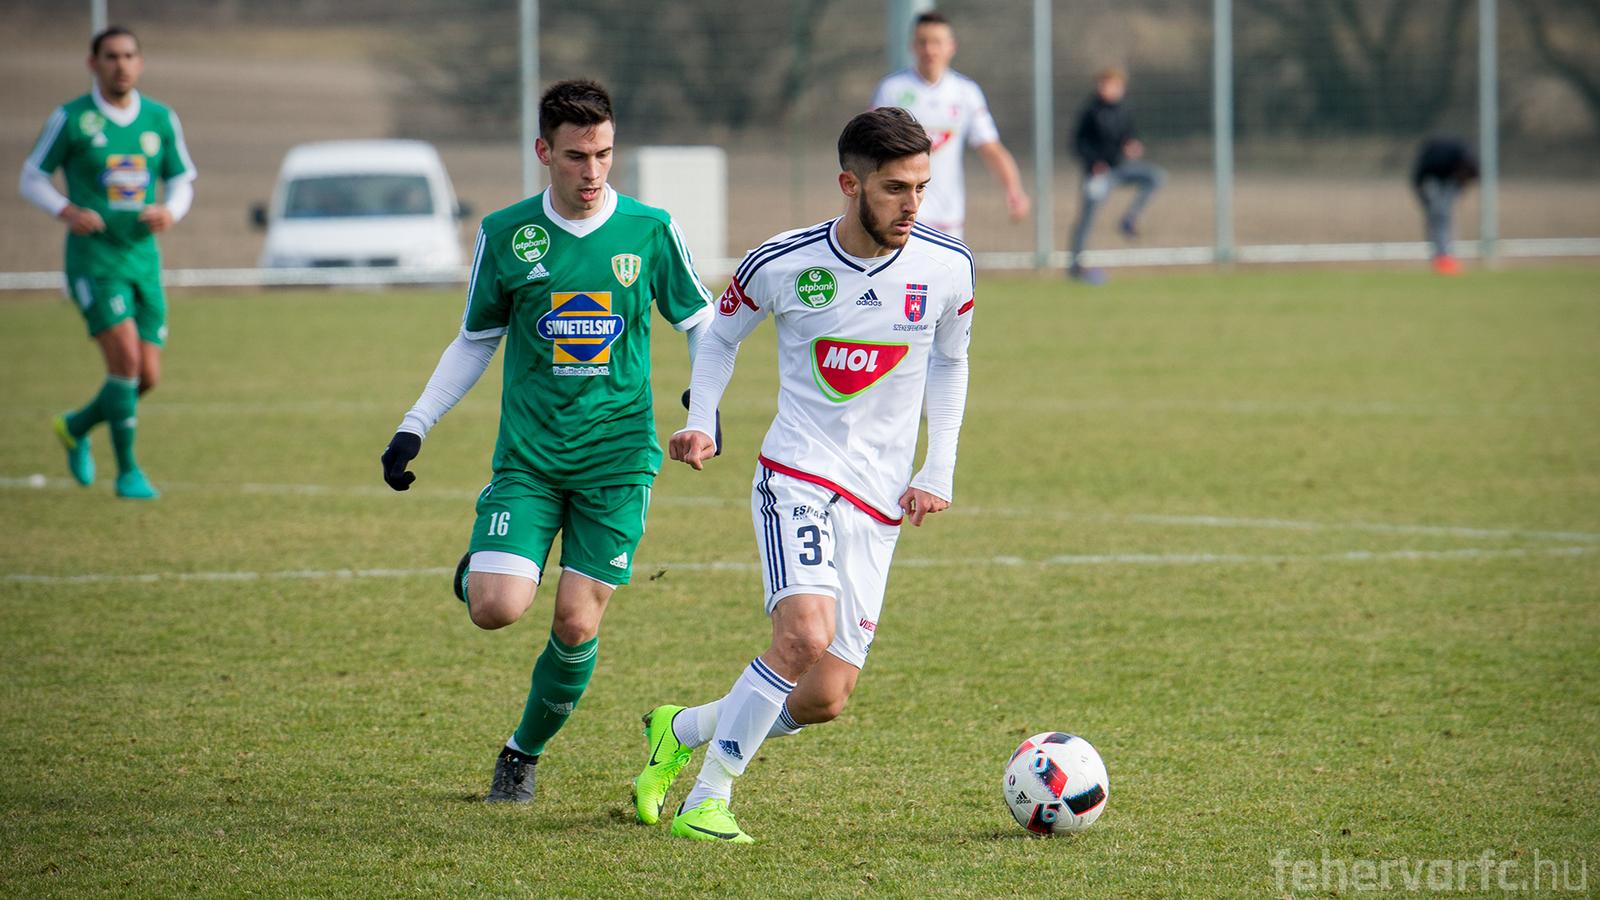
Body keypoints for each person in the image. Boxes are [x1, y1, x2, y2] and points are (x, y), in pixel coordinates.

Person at [632, 107, 974, 843]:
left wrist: (938, 464)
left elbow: (951, 360)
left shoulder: (948, 266)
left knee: (824, 697)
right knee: (802, 638)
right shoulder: (782, 261)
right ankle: (707, 800)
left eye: (921, 187)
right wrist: (703, 417)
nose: (912, 205)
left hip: (880, 499)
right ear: (850, 184)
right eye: (894, 188)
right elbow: (719, 337)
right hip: (799, 475)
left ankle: (680, 729)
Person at [379, 79, 714, 803]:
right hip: (530, 458)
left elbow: (701, 322)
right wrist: (415, 424)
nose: (592, 172)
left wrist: (704, 404)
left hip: (618, 460)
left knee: (575, 621)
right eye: (575, 156)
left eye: (604, 154)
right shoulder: (507, 233)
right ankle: (486, 567)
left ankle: (521, 753)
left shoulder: (651, 229)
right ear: (543, 152)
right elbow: (476, 340)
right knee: (496, 608)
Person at [22, 26, 197, 499]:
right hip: (95, 260)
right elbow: (31, 177)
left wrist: (170, 210)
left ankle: (75, 426)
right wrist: (66, 210)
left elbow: (183, 179)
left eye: (128, 56)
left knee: (147, 376)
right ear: (93, 63)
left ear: (140, 63)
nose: (121, 65)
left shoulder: (160, 118)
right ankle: (128, 473)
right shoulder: (72, 119)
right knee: (126, 361)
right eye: (111, 56)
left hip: (142, 258)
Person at [870, 10, 1029, 240]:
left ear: (951, 47)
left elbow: (990, 148)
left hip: (949, 217)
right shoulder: (891, 90)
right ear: (912, 46)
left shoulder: (966, 92)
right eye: (923, 42)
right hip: (903, 216)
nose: (929, 49)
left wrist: (1014, 190)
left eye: (936, 42)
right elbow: (867, 151)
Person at [1067, 66, 1164, 285]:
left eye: (1112, 85)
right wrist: (1093, 162)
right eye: (1104, 85)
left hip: (1120, 168)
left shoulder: (1124, 109)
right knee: (1087, 218)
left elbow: (1128, 136)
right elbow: (1077, 144)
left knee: (1155, 177)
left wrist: (1132, 146)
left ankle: (1129, 219)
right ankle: (1075, 266)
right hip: (1099, 173)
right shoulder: (1090, 110)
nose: (1107, 89)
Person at [1412, 137, 1479, 276]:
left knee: (1443, 216)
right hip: (1432, 177)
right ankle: (1442, 257)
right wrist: (1425, 200)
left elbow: (1463, 181)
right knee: (1439, 216)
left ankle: (1446, 257)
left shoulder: (1466, 161)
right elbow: (1418, 179)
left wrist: (1459, 191)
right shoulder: (1434, 162)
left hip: (1449, 175)